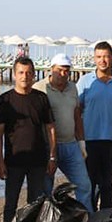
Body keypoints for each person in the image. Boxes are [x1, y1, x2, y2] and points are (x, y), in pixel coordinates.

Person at [0, 57, 57, 222]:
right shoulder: (5, 100)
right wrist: (0, 161)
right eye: (21, 72)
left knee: (34, 203)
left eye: (29, 73)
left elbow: (51, 129)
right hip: (13, 161)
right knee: (10, 203)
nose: (25, 76)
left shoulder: (40, 98)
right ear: (14, 74)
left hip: (38, 160)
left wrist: (52, 157)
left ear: (34, 74)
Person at [33, 53, 94, 211]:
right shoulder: (39, 88)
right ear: (51, 69)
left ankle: (87, 220)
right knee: (46, 190)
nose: (63, 74)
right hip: (48, 148)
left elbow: (77, 116)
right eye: (60, 70)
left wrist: (82, 143)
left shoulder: (73, 87)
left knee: (84, 185)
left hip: (71, 145)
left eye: (66, 70)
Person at [77, 41, 112, 210]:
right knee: (90, 184)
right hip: (89, 141)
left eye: (106, 56)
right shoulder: (85, 81)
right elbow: (76, 112)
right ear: (94, 59)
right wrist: (78, 140)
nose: (103, 60)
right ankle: (91, 219)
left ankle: (107, 218)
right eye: (99, 57)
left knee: (107, 184)